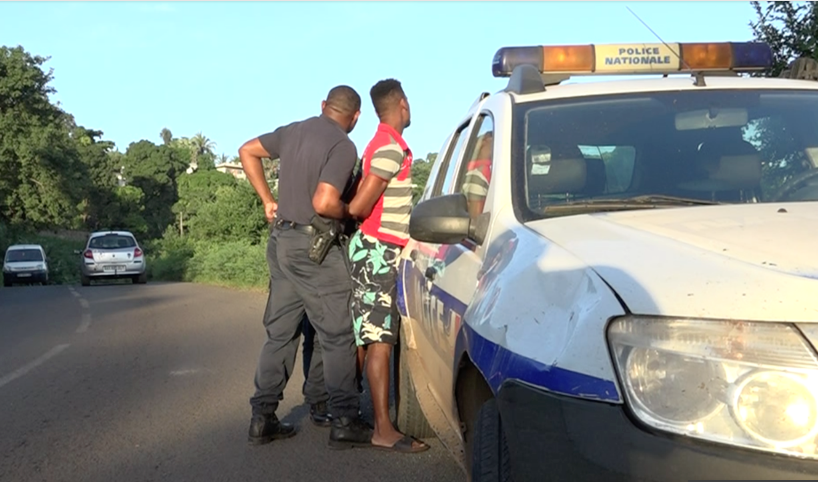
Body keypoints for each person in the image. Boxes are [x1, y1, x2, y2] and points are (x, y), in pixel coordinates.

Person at [239, 85, 372, 449]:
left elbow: (247, 151)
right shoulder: (343, 145)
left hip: (281, 241)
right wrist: (349, 213)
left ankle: (262, 417)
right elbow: (326, 201)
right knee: (337, 333)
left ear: (323, 106)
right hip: (315, 248)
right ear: (355, 117)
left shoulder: (293, 130)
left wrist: (268, 200)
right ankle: (344, 418)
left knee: (281, 332)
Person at [347, 79, 430, 453]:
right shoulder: (389, 147)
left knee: (368, 333)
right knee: (379, 338)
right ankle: (383, 429)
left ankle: (344, 410)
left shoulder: (385, 143)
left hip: (380, 248)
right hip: (378, 249)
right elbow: (359, 207)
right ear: (402, 104)